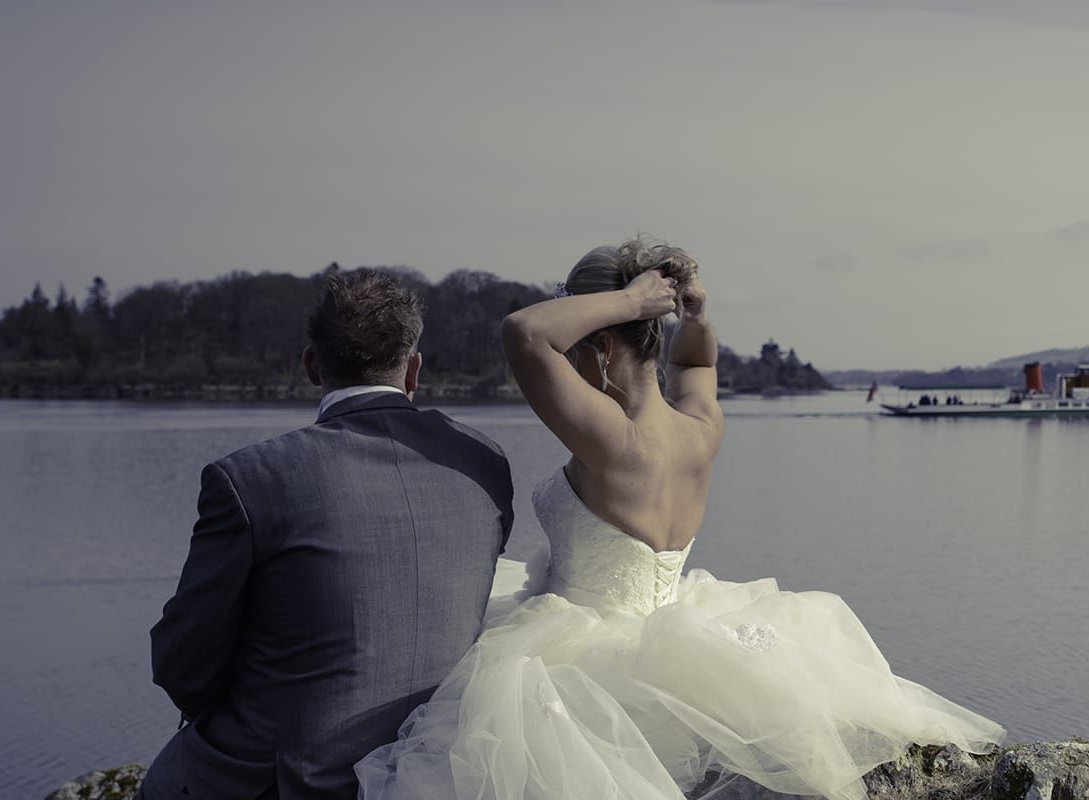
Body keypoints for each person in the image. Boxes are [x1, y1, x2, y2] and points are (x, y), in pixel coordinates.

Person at [356, 238, 1003, 799]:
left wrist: (633, 302)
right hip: (669, 632)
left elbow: (524, 333)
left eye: (581, 347)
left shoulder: (614, 439)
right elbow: (696, 364)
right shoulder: (701, 428)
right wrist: (693, 313)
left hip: (577, 659)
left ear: (602, 344)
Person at [142, 271, 517, 799]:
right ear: (413, 370)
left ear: (312, 365)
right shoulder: (484, 463)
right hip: (430, 766)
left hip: (287, 779)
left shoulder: (249, 480)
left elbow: (182, 663)